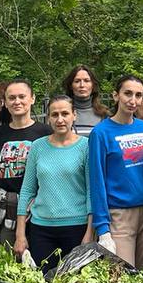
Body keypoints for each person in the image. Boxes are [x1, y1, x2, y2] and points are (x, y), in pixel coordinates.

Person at [88, 75, 143, 268]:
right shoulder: (101, 133)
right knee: (123, 276)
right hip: (120, 215)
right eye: (127, 93)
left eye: (138, 95)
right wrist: (103, 228)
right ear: (116, 96)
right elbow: (97, 182)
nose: (133, 100)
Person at [14, 95, 93, 269]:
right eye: (54, 114)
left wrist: (89, 232)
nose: (60, 119)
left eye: (65, 113)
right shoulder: (37, 147)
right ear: (48, 118)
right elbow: (27, 190)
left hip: (76, 228)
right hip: (41, 229)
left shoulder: (86, 147)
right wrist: (20, 234)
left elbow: (91, 192)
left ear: (74, 115)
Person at [0, 79, 52, 251]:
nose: (17, 101)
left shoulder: (45, 133)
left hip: (39, 208)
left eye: (22, 96)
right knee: (9, 261)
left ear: (32, 99)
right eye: (12, 98)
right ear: (5, 103)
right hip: (7, 209)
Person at [63, 65, 108, 137]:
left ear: (93, 85)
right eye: (77, 81)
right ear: (71, 86)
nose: (82, 85)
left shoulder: (104, 114)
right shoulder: (62, 113)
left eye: (86, 81)